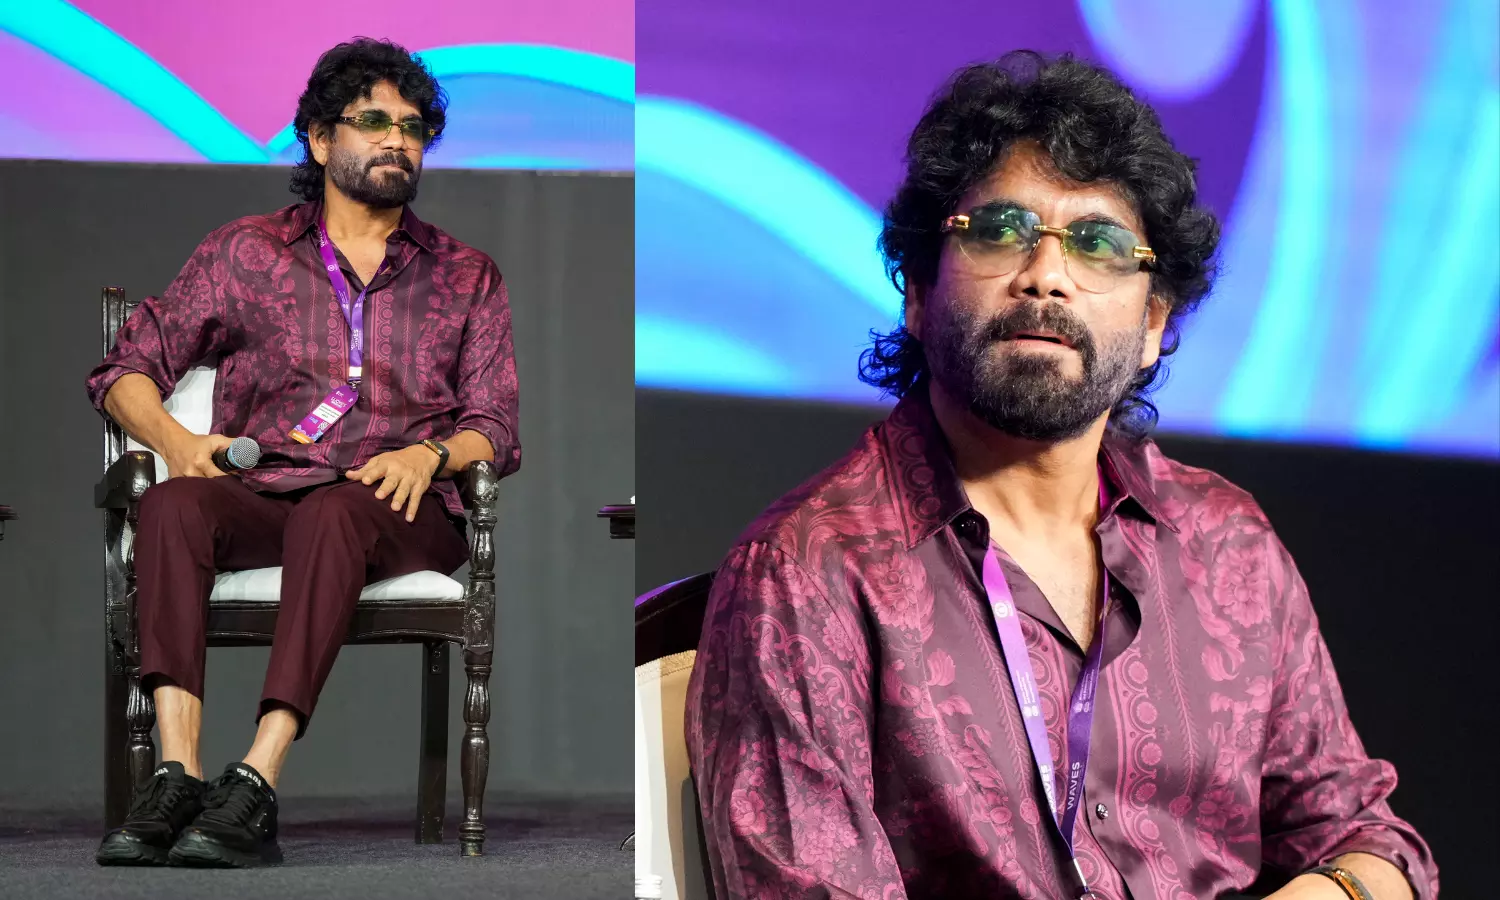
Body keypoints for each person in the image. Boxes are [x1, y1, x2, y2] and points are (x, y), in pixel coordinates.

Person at [686, 52, 1435, 900]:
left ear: (1152, 325)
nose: (1046, 275)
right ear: (919, 292)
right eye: (1001, 230)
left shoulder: (1228, 544)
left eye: (1099, 244)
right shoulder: (808, 574)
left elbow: (1370, 841)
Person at [88, 37, 519, 868]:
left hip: (397, 508)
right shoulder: (245, 253)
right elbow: (123, 371)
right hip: (269, 488)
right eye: (373, 121)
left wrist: (431, 456)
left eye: (413, 127)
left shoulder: (468, 275)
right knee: (172, 504)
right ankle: (178, 776)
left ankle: (256, 778)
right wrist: (179, 443)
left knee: (335, 513)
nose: (397, 139)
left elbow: (495, 424)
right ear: (320, 140)